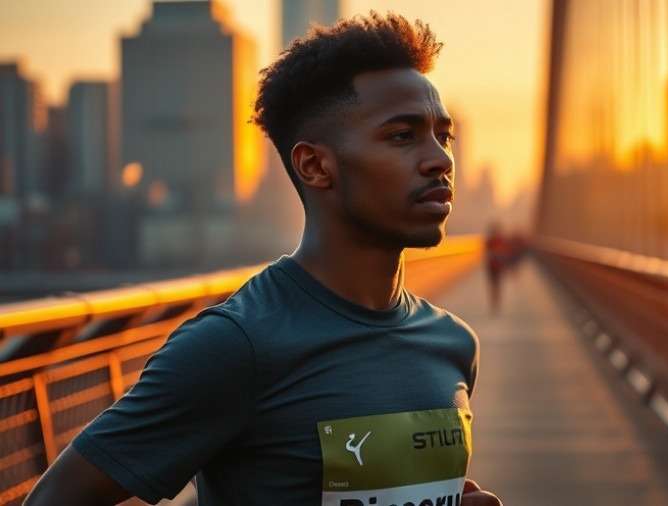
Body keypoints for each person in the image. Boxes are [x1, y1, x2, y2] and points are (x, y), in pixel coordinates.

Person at [25, 12, 502, 506]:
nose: (440, 159)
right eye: (402, 136)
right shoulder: (237, 346)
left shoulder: (451, 343)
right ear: (315, 165)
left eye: (442, 136)